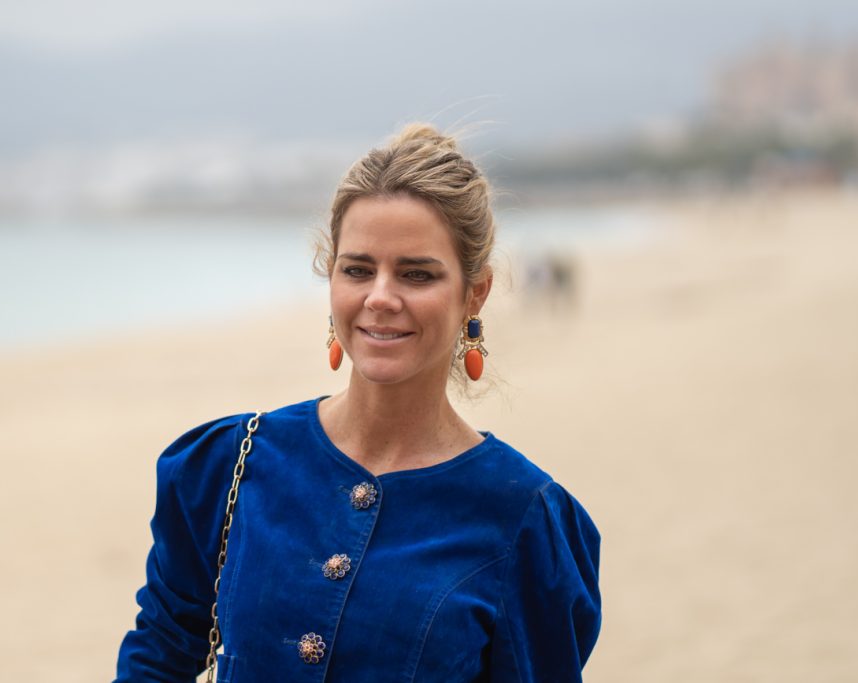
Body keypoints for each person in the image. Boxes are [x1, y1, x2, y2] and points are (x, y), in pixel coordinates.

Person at [115, 124, 602, 682]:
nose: (380, 297)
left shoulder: (523, 519)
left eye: (416, 274)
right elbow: (157, 658)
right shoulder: (231, 466)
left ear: (475, 293)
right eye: (358, 270)